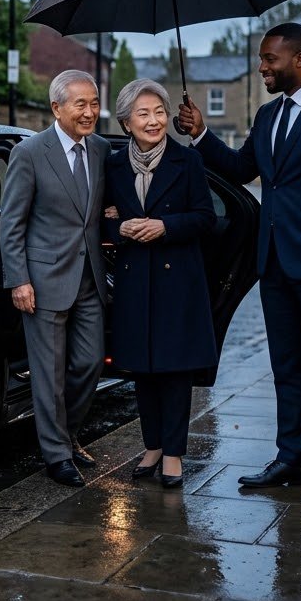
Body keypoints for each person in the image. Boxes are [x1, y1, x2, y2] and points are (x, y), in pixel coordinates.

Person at [177, 22, 301, 506]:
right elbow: (244, 169)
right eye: (262, 59)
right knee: (285, 368)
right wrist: (201, 134)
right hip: (276, 264)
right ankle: (292, 459)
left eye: (270, 59)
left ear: (300, 58)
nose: (262, 67)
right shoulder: (267, 115)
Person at [105, 79, 217, 489]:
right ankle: (151, 445)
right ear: (125, 122)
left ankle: (172, 454)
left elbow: (206, 217)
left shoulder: (187, 162)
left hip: (177, 282)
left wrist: (164, 226)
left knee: (173, 370)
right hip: (136, 280)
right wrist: (121, 227)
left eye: (158, 112)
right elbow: (103, 218)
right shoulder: (114, 164)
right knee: (142, 369)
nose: (153, 121)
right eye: (142, 114)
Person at [0, 70, 110, 487]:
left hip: (89, 279)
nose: (89, 112)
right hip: (43, 282)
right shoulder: (29, 153)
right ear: (56, 108)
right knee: (47, 372)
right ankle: (57, 455)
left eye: (94, 103)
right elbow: (12, 222)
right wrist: (19, 280)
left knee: (89, 362)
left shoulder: (100, 149)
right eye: (80, 104)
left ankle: (68, 434)